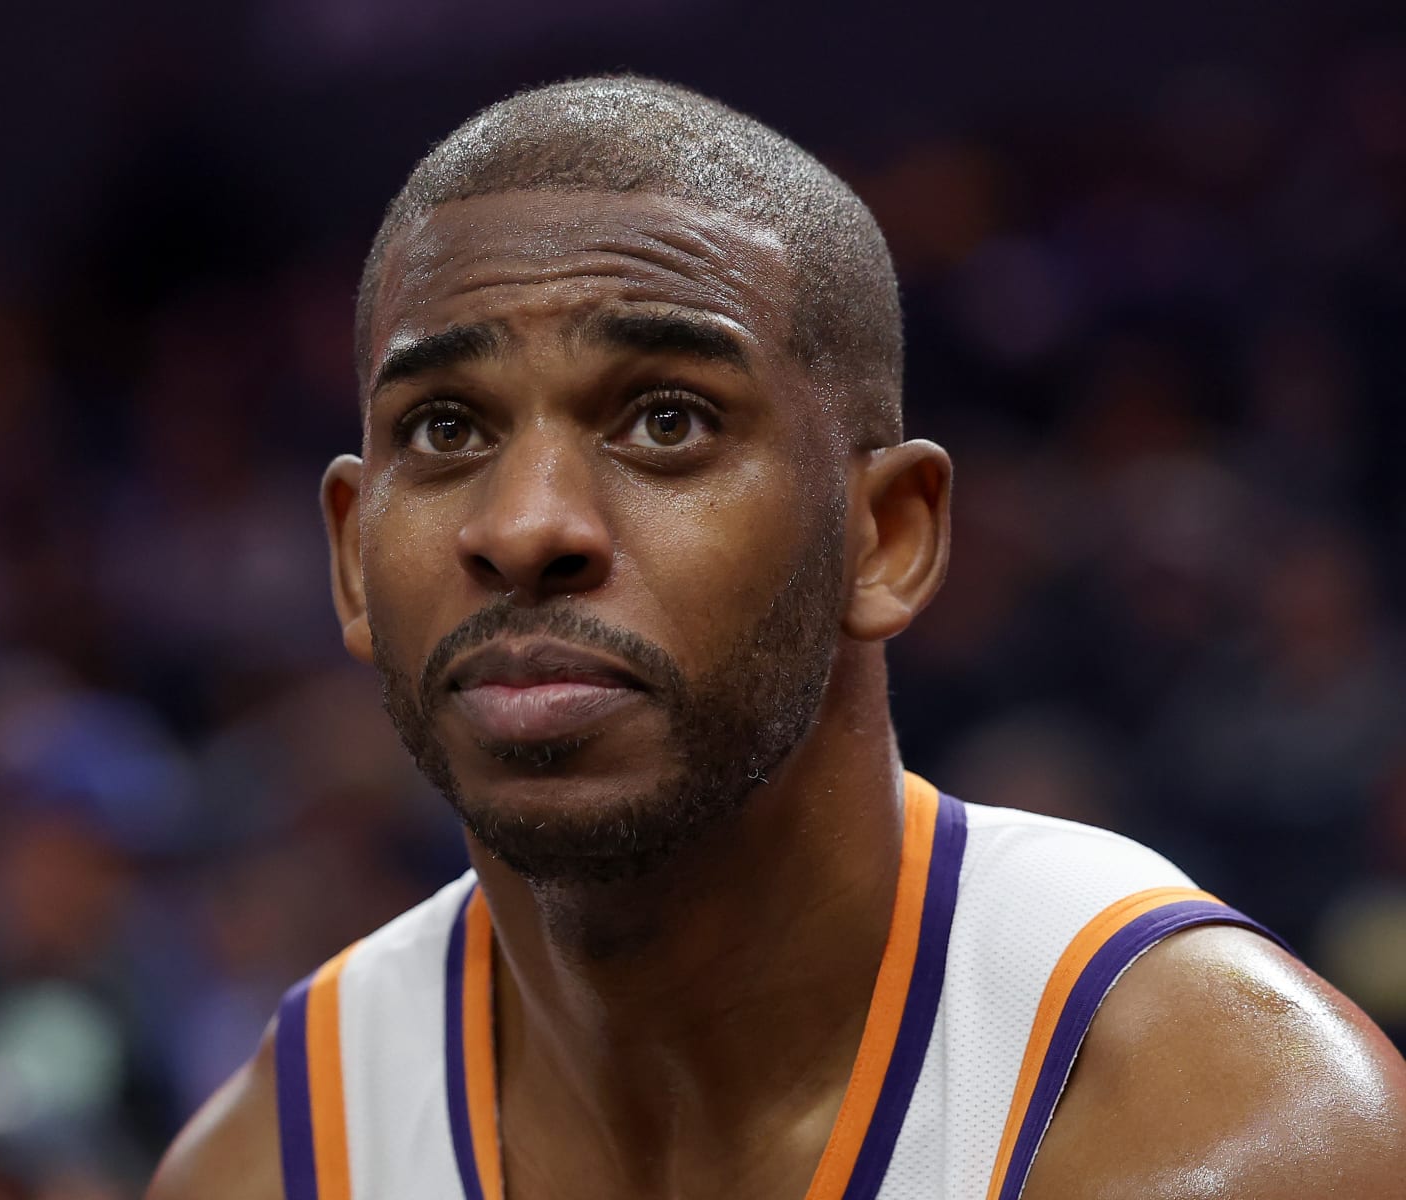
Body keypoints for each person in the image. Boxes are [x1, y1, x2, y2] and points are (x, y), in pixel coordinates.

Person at [149, 76, 1406, 1199]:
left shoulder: (1240, 1136)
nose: (526, 525)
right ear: (351, 559)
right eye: (444, 430)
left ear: (887, 536)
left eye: (668, 419)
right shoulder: (268, 1158)